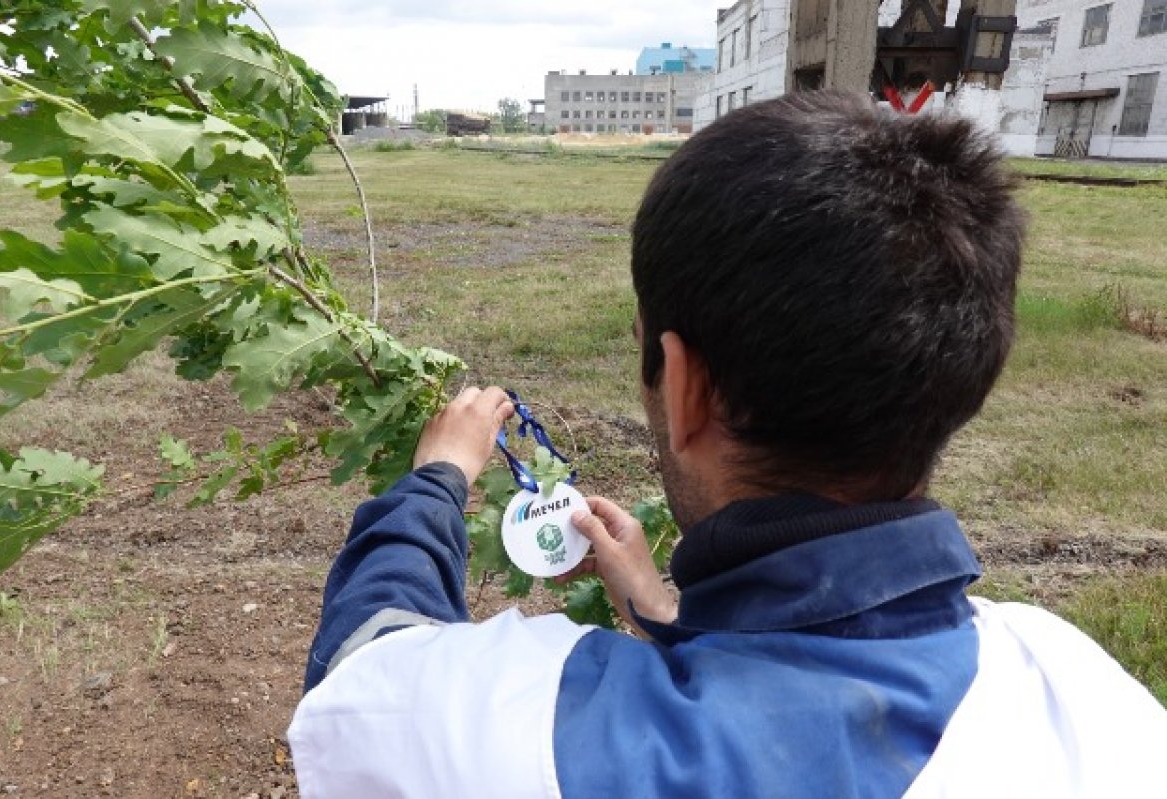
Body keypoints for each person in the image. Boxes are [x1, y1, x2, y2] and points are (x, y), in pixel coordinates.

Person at [287, 91, 1167, 798]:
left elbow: (363, 665)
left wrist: (437, 477)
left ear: (686, 386)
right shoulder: (1087, 693)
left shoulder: (526, 741)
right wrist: (666, 610)